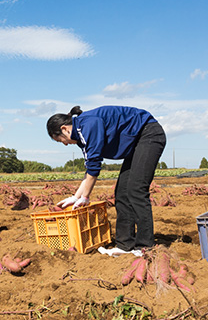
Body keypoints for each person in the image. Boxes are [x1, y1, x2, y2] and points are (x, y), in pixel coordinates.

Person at [46, 106, 166, 252]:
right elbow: (89, 169)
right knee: (121, 193)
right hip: (135, 144)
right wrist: (75, 197)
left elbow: (94, 168)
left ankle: (145, 247)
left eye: (61, 140)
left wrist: (85, 197)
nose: (64, 143)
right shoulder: (80, 137)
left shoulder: (88, 126)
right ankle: (125, 245)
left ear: (64, 129)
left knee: (136, 189)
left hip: (148, 135)